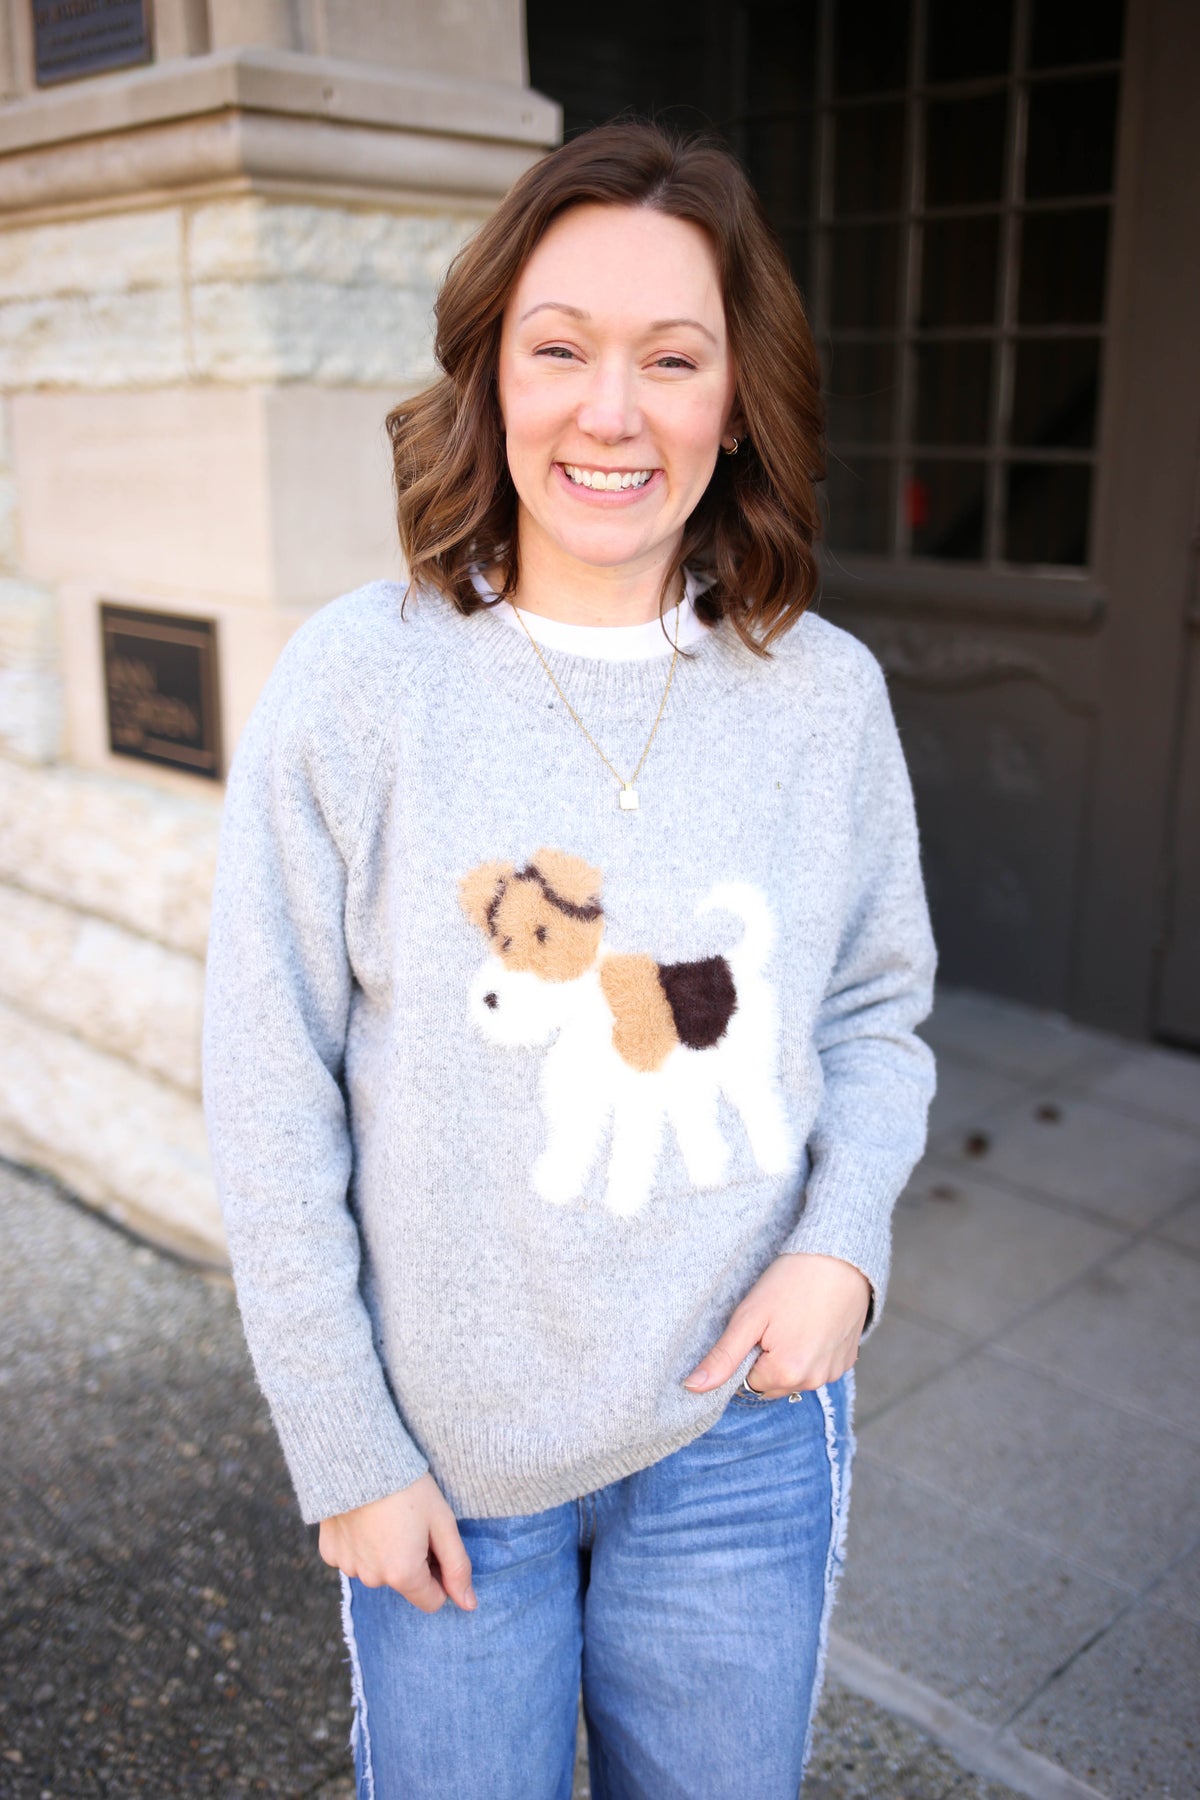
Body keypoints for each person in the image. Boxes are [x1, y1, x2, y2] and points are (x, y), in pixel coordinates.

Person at [201, 119, 937, 1800]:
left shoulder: (822, 697)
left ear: (736, 397)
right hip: (449, 1457)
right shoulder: (357, 682)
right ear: (492, 376)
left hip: (741, 1436)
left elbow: (880, 1009)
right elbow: (266, 1078)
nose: (612, 412)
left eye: (672, 358)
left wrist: (842, 1246)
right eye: (561, 351)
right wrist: (344, 1445)